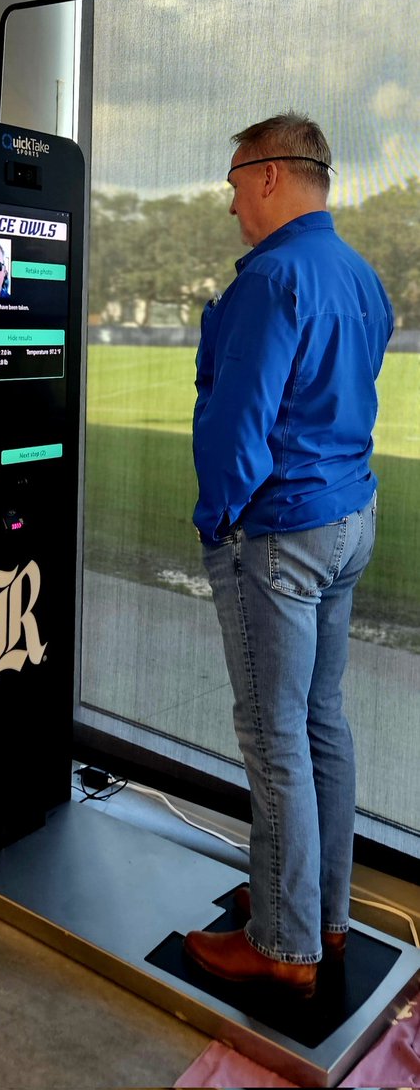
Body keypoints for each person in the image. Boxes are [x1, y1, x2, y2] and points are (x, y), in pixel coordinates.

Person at [184, 113, 394, 997]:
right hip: (348, 517)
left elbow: (239, 425)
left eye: (235, 183)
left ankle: (281, 944)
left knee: (273, 737)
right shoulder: (358, 273)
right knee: (319, 724)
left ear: (270, 174)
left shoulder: (270, 276)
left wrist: (215, 520)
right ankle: (322, 916)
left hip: (277, 530)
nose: (231, 202)